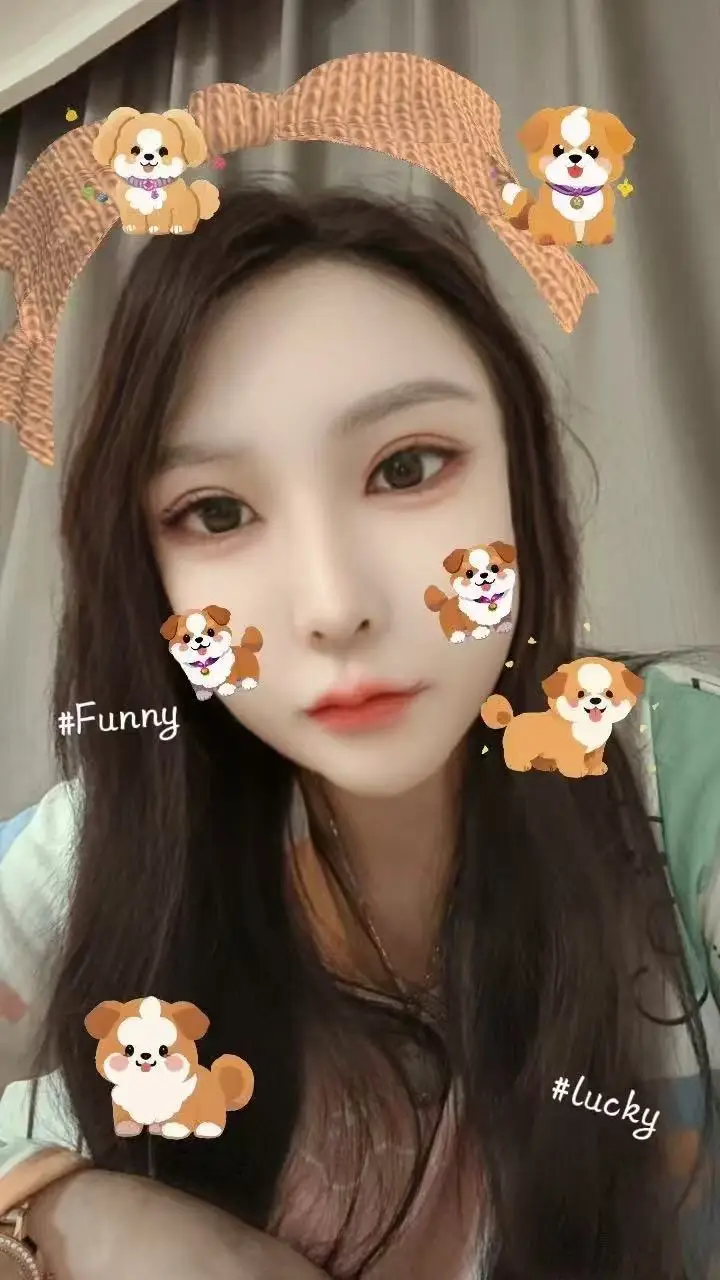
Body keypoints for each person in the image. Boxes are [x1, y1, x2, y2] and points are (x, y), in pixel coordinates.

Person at [0, 186, 718, 1280]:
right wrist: (75, 1215)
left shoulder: (681, 781)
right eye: (216, 512)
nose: (334, 606)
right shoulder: (104, 841)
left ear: (521, 478)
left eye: (408, 466)